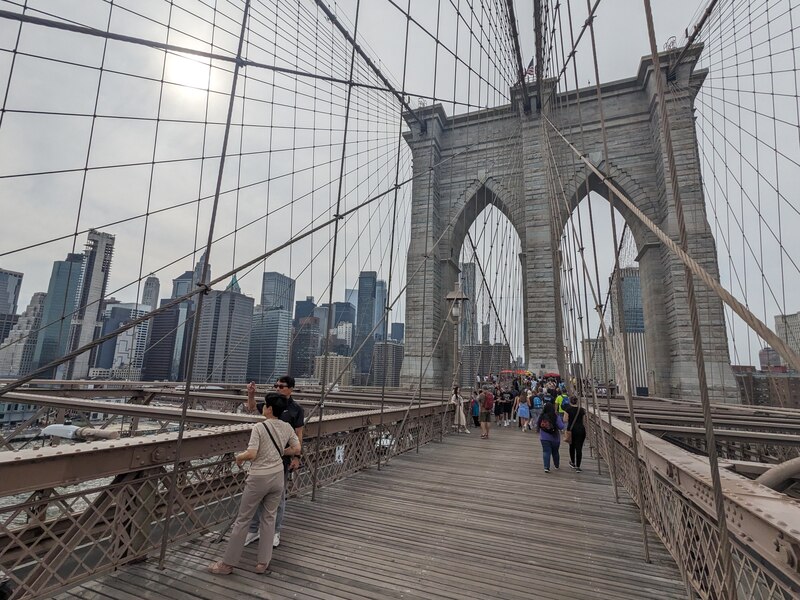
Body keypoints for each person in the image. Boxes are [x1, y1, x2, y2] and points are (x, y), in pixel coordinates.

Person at [207, 393, 301, 575]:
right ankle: (262, 563)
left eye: (265, 404)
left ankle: (227, 564)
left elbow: (251, 453)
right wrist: (281, 451)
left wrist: (239, 457)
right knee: (269, 518)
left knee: (243, 519)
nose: (263, 407)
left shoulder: (259, 427)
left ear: (270, 409)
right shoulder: (287, 427)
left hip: (259, 477)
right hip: (277, 476)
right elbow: (297, 448)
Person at [245, 375, 304, 548]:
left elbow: (299, 434)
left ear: (291, 388)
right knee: (258, 495)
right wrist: (251, 394)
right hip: (263, 459)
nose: (277, 388)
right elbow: (251, 407)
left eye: (281, 386)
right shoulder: (270, 403)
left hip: (282, 460)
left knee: (278, 498)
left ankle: (274, 532)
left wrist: (297, 457)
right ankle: (254, 530)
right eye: (276, 385)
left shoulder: (296, 409)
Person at [536, 401, 564, 473]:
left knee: (546, 452)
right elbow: (561, 426)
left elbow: (537, 423)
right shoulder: (555, 416)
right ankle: (556, 465)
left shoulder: (541, 416)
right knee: (555, 452)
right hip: (555, 438)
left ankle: (546, 467)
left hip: (544, 437)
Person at [564, 398, 587, 472]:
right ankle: (578, 466)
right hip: (581, 430)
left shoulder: (568, 409)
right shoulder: (582, 410)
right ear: (577, 402)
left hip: (571, 430)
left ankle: (573, 462)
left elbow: (565, 420)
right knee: (579, 448)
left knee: (572, 446)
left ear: (570, 401)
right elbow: (584, 421)